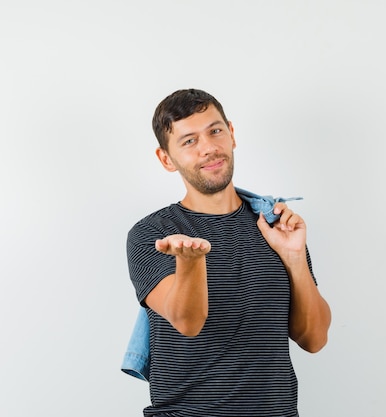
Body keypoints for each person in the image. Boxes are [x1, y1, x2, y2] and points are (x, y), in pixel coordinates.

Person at [126, 88, 332, 417]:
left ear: (232, 134)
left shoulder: (275, 225)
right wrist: (190, 263)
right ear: (167, 159)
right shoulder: (153, 234)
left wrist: (294, 259)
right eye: (189, 141)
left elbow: (314, 338)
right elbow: (187, 322)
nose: (209, 148)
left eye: (215, 131)